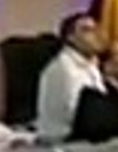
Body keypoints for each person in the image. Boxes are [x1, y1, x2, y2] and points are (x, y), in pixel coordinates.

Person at [36, 12, 108, 143]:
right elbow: (75, 114)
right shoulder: (63, 68)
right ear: (70, 37)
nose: (96, 35)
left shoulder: (92, 66)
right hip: (64, 140)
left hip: (86, 137)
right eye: (87, 30)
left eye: (96, 29)